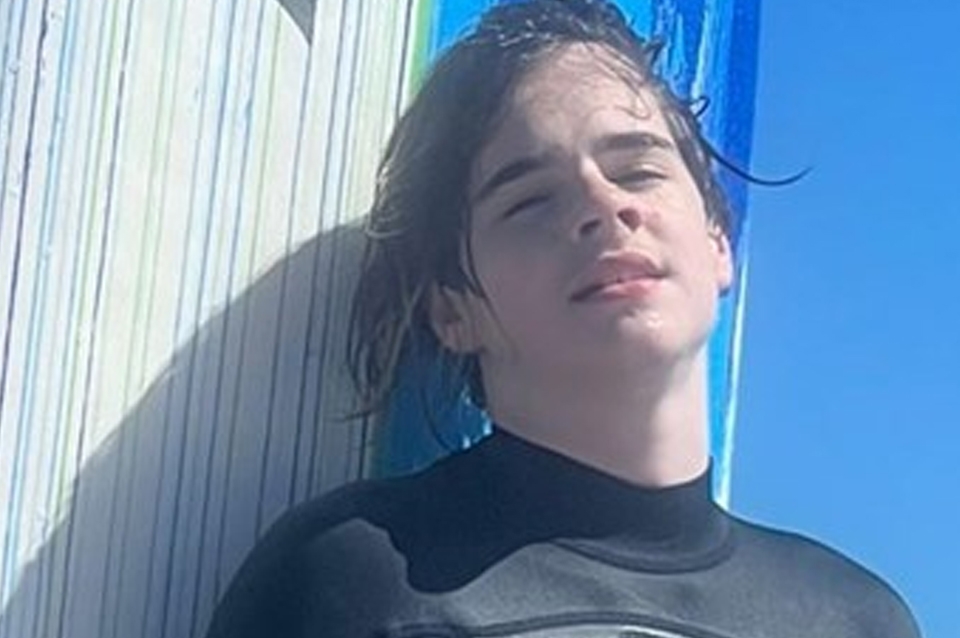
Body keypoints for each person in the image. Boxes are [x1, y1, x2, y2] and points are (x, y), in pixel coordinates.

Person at [204, 1, 921, 636]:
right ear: (453, 310)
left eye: (638, 170)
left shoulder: (856, 619)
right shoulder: (348, 578)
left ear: (718, 243)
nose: (604, 206)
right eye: (530, 199)